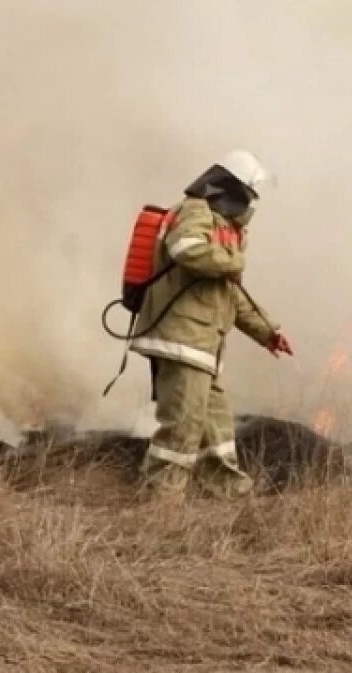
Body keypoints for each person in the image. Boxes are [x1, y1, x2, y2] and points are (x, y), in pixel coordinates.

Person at [129, 149, 294, 499]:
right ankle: (160, 497)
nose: (251, 204)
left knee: (216, 425)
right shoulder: (194, 211)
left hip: (203, 345)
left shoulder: (225, 230)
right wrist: (233, 259)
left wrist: (269, 332)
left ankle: (229, 491)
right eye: (249, 193)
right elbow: (185, 248)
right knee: (184, 425)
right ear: (228, 188)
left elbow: (232, 296)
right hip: (181, 338)